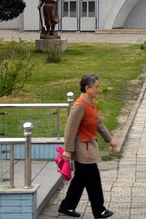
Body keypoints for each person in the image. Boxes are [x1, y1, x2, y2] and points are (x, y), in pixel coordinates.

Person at [59, 74, 117, 219]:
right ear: (87, 88)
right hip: (83, 150)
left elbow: (99, 123)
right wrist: (67, 150)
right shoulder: (79, 106)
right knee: (93, 180)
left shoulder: (91, 103)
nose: (98, 89)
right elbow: (70, 130)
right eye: (96, 87)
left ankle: (66, 206)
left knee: (80, 180)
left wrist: (109, 140)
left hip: (89, 147)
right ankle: (99, 210)